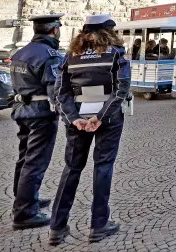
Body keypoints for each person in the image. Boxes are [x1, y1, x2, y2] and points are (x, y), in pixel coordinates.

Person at [49, 14, 130, 245]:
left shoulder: (71, 56)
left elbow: (61, 92)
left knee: (71, 169)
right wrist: (100, 118)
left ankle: (56, 227)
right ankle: (99, 225)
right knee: (103, 167)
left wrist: (74, 119)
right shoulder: (115, 54)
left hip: (78, 118)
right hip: (108, 120)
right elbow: (120, 90)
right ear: (110, 32)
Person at [9, 13, 65, 230]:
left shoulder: (21, 52)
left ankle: (24, 198)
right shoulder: (49, 55)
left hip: (22, 110)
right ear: (54, 30)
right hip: (41, 114)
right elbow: (55, 90)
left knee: (24, 158)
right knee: (35, 162)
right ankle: (25, 212)